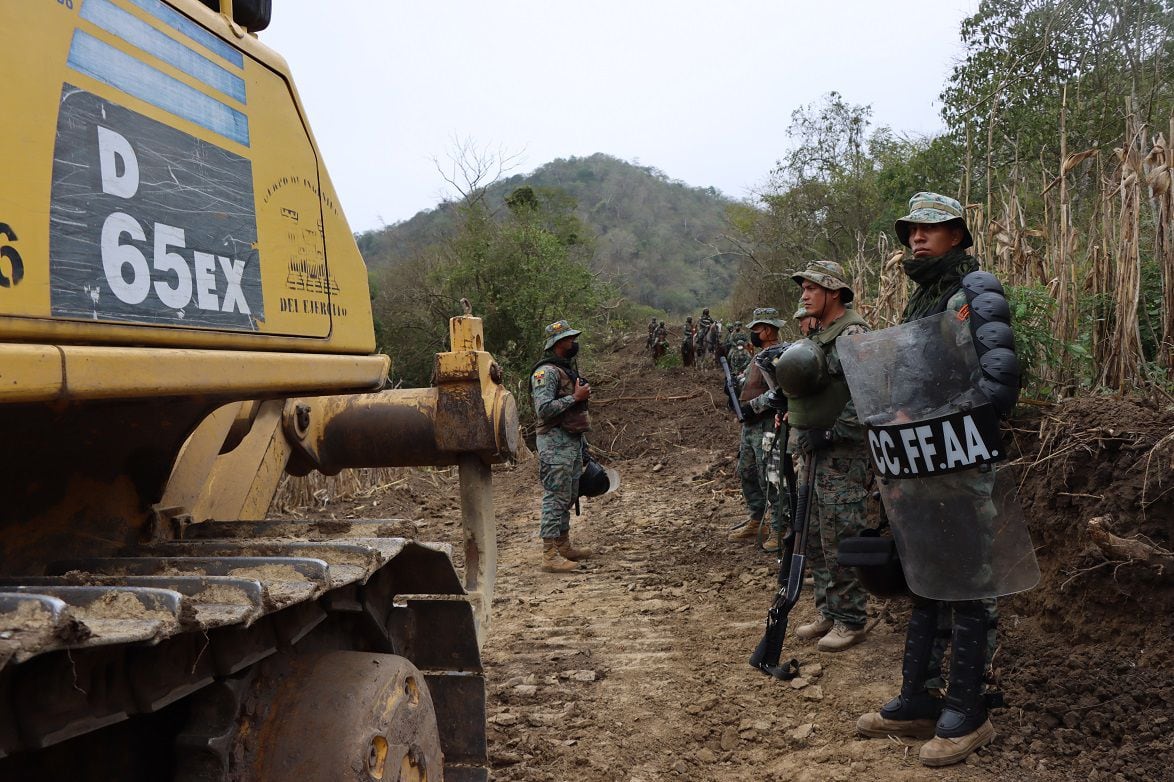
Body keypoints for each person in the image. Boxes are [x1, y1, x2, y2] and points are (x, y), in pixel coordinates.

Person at [856, 192, 1004, 766]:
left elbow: (996, 381)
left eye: (932, 228)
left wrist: (930, 423)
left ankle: (969, 710)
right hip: (918, 460)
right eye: (911, 230)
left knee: (967, 587)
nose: (918, 237)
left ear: (958, 236)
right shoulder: (923, 297)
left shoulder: (975, 289)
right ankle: (918, 700)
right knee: (925, 580)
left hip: (958, 460)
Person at [786, 260, 872, 652]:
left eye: (812, 288)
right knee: (818, 535)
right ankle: (829, 611)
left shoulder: (852, 332)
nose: (804, 295)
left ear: (834, 292)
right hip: (817, 450)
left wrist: (833, 432)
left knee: (842, 536)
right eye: (803, 288)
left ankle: (852, 619)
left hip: (843, 453)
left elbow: (865, 393)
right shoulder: (821, 333)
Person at [530, 319, 594, 573]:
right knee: (555, 497)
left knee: (569, 495)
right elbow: (543, 409)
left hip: (570, 441)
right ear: (557, 344)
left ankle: (563, 545)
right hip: (554, 444)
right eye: (568, 340)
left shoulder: (564, 369)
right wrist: (575, 397)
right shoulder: (545, 373)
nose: (573, 343)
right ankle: (549, 554)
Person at [727, 308, 786, 548]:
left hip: (767, 424)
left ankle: (779, 527)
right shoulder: (758, 355)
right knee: (747, 472)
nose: (752, 334)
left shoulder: (779, 355)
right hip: (750, 427)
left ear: (768, 329)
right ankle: (757, 518)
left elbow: (781, 391)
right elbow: (749, 382)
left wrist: (754, 406)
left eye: (756, 330)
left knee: (770, 477)